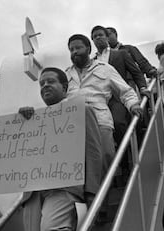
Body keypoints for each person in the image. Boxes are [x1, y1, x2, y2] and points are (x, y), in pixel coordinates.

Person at [19, 67, 103, 231]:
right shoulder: (33, 119)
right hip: (33, 194)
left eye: (51, 81)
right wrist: (22, 122)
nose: (45, 86)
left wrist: (92, 192)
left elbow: (94, 152)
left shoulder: (82, 111)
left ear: (65, 88)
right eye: (42, 83)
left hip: (64, 188)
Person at [66, 33, 142, 178]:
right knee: (80, 164)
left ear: (88, 49)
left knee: (105, 158)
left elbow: (125, 91)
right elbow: (58, 100)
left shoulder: (105, 68)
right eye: (71, 49)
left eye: (78, 48)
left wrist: (133, 105)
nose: (74, 52)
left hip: (99, 121)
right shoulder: (66, 74)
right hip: (73, 125)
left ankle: (103, 196)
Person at [91, 25, 149, 150]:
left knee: (118, 123)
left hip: (119, 96)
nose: (98, 38)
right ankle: (122, 160)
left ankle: (132, 152)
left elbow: (136, 72)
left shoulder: (121, 54)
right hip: (102, 100)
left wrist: (143, 87)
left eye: (101, 35)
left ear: (107, 37)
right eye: (95, 37)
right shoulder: (92, 62)